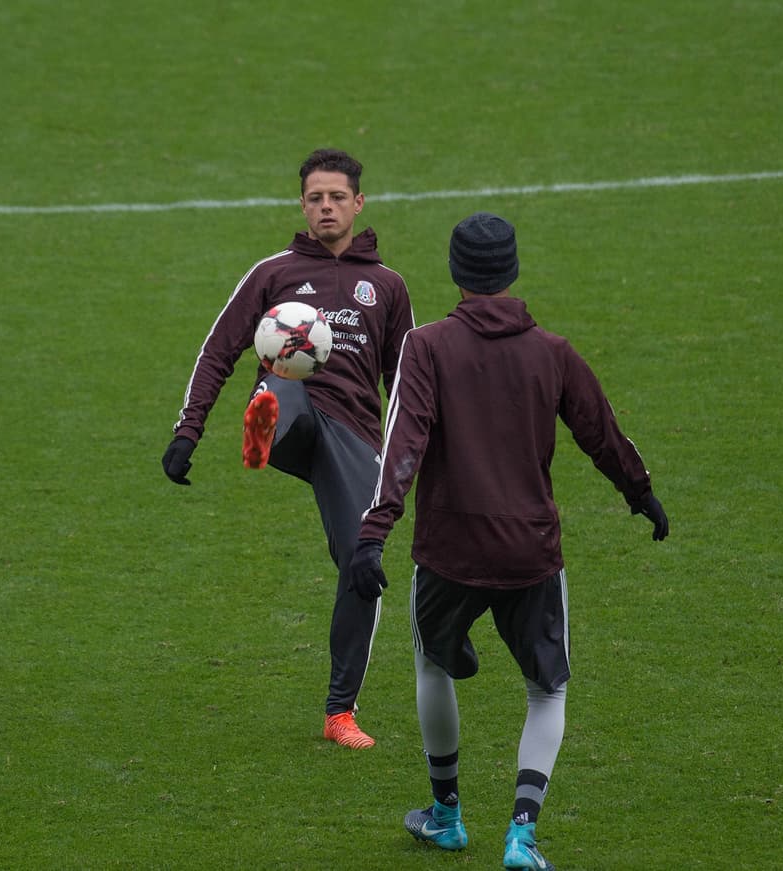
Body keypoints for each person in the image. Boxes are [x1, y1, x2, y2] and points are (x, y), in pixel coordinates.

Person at [348, 212, 669, 868]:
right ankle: (522, 832)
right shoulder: (552, 351)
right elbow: (602, 431)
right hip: (531, 551)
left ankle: (445, 814)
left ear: (456, 272)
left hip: (449, 550)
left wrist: (373, 533)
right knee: (547, 690)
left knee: (432, 665)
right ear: (513, 270)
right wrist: (640, 493)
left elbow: (403, 445)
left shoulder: (427, 347)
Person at [162, 148, 415, 749]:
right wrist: (188, 430)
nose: (326, 207)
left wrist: (409, 461)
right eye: (315, 198)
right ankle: (264, 430)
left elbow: (406, 383)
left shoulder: (387, 286)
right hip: (292, 409)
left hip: (353, 436)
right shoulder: (272, 273)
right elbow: (218, 350)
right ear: (302, 206)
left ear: (358, 203)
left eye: (337, 197)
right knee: (285, 383)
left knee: (362, 562)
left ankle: (339, 713)